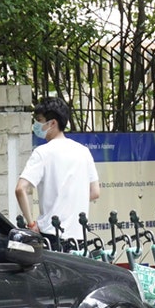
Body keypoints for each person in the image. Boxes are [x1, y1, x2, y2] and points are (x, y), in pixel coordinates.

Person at [15, 97, 100, 246]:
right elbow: (95, 192)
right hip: (79, 236)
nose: (36, 125)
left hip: (51, 235)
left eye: (39, 120)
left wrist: (31, 224)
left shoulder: (42, 153)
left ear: (53, 123)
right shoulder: (83, 151)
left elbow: (20, 189)